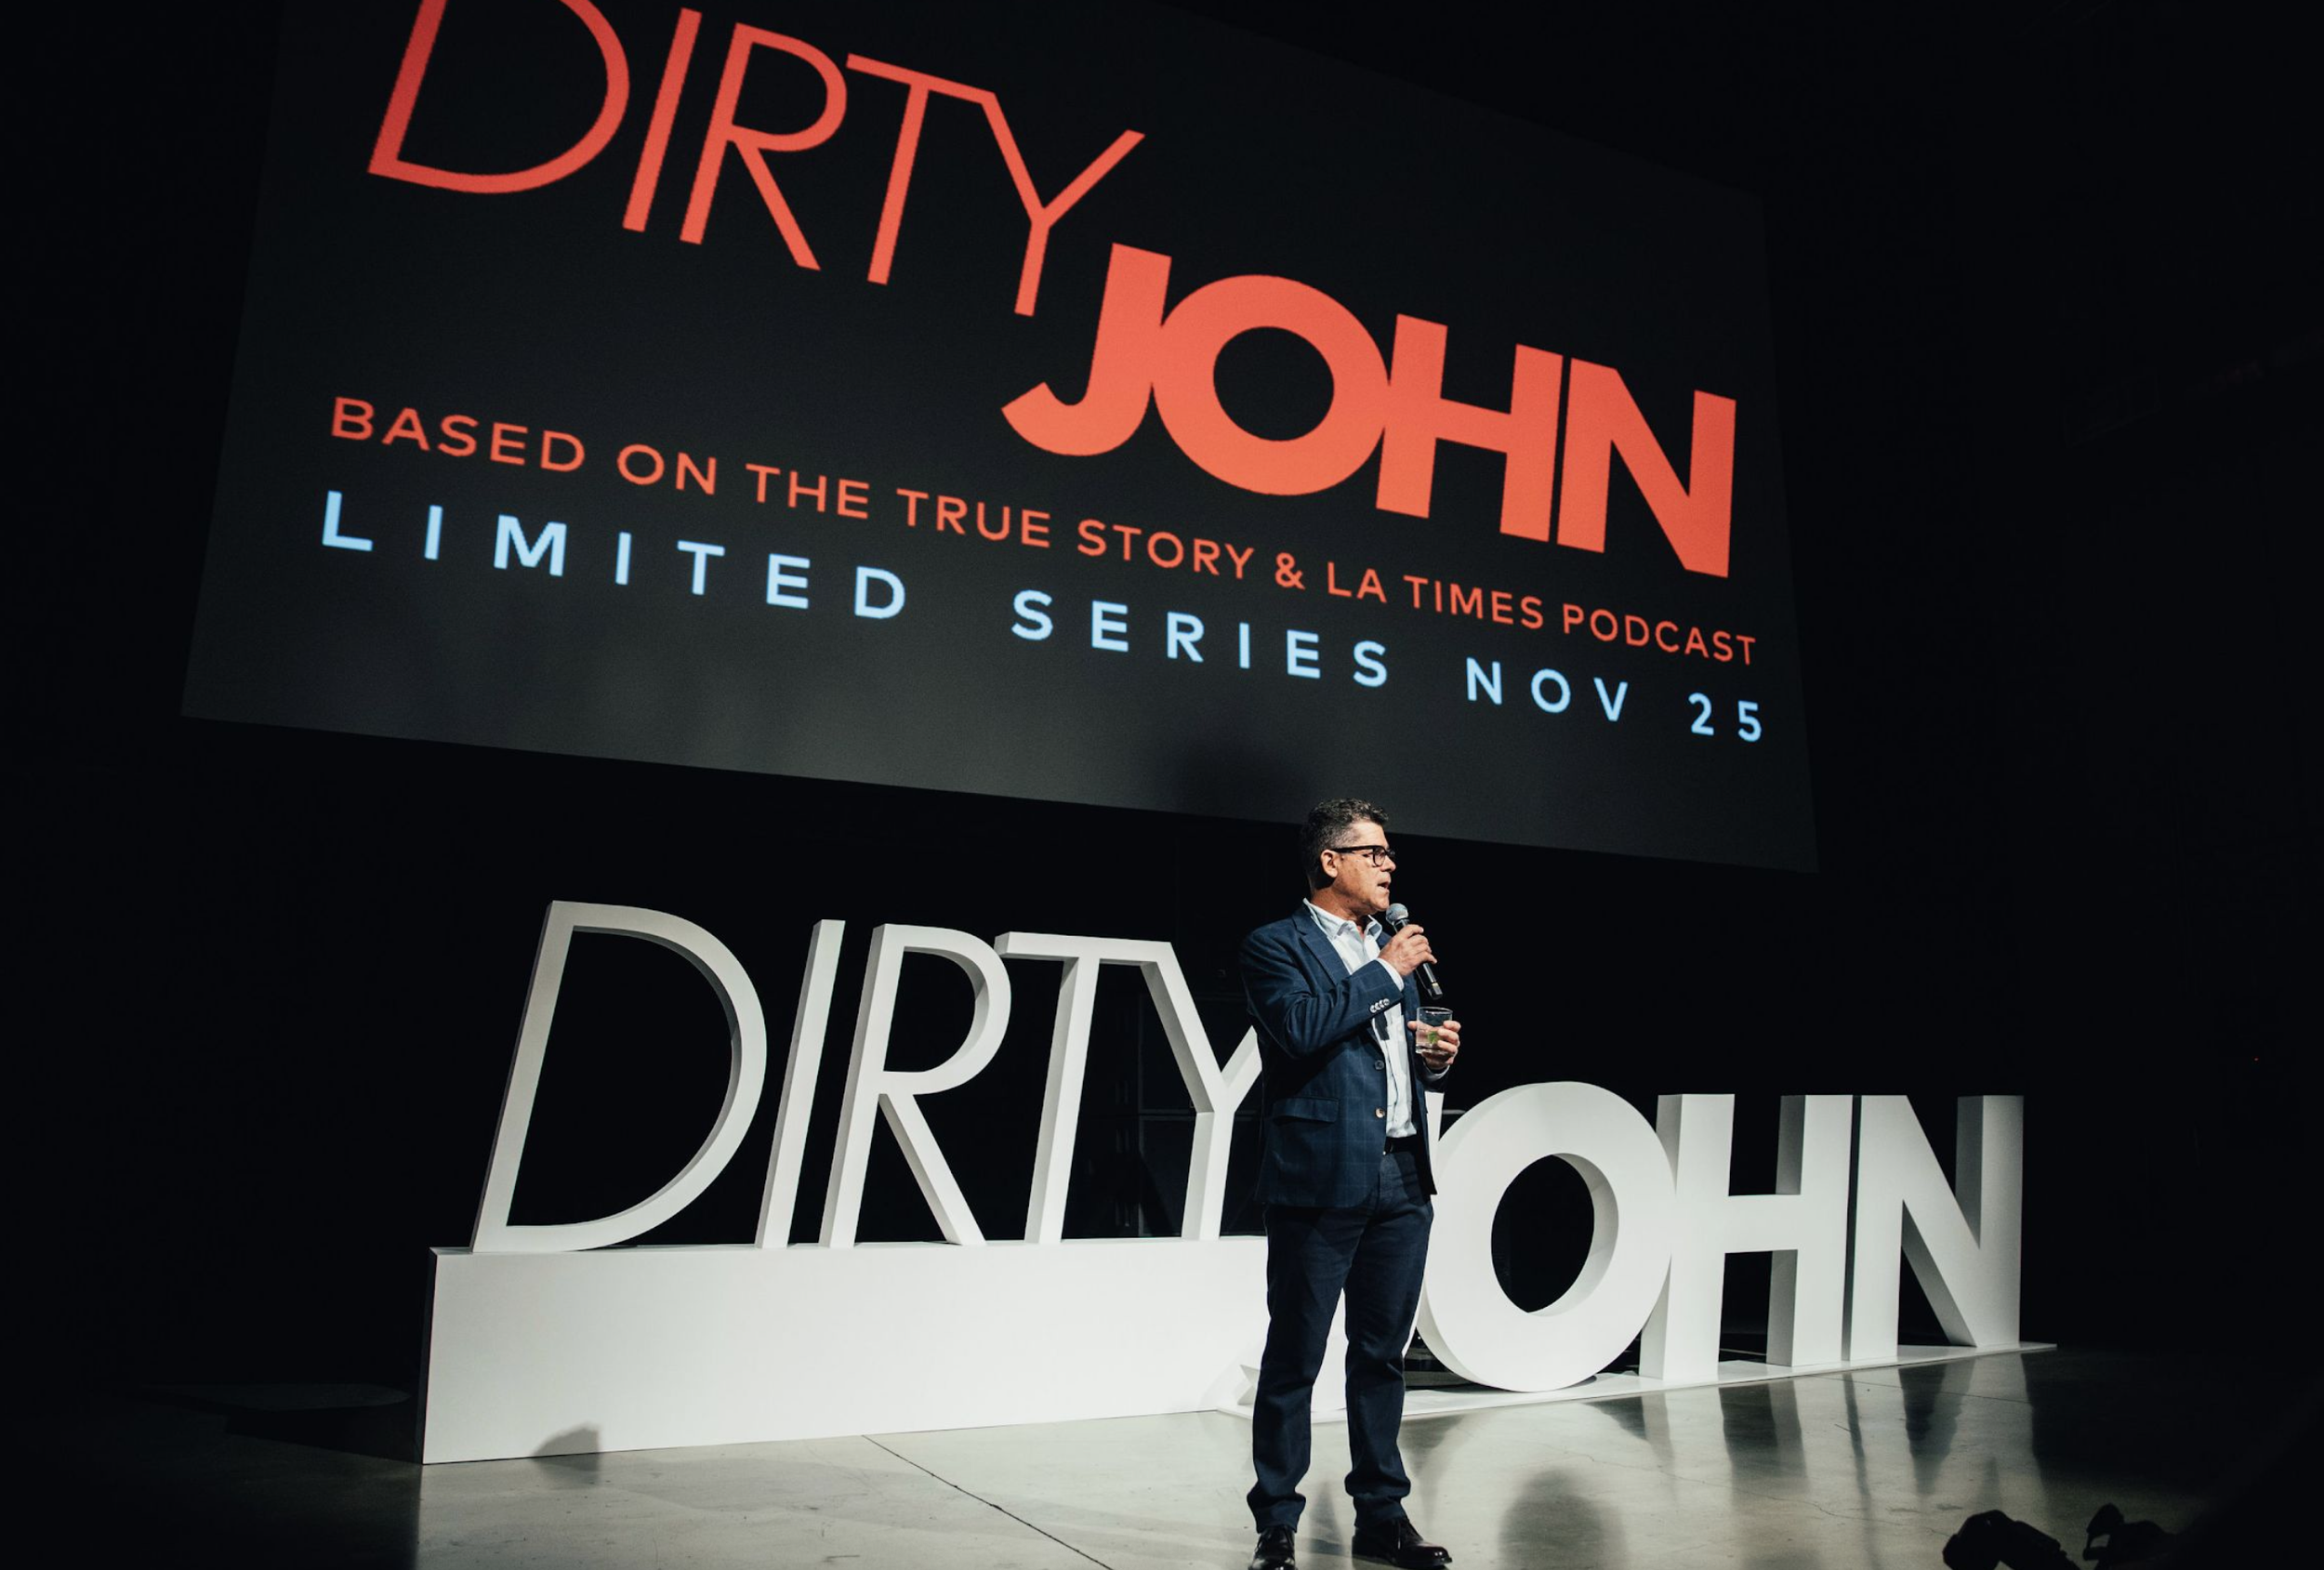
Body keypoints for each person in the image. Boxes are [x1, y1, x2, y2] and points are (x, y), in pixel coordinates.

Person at [1238, 798, 1461, 1570]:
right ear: (1330, 861)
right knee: (1295, 1355)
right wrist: (1385, 971)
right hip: (1318, 1178)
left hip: (1401, 1172)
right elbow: (1300, 1028)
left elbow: (1387, 1052)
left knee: (1381, 1355)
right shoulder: (1276, 945)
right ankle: (1276, 1523)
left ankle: (1381, 1515)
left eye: (1390, 854)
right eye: (1373, 852)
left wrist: (1432, 1052)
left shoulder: (1387, 950)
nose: (1388, 865)